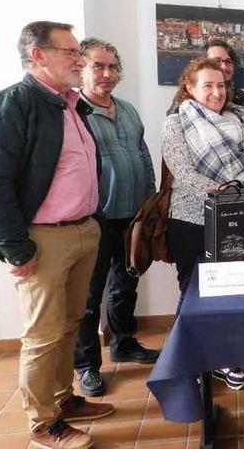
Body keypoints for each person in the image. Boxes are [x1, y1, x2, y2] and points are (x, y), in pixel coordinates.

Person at [0, 21, 114, 449]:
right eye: (71, 52)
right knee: (42, 335)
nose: (79, 59)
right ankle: (42, 425)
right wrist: (16, 249)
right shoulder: (7, 106)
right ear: (38, 55)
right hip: (42, 239)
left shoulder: (71, 105)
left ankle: (62, 400)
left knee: (71, 323)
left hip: (82, 230)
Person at [163, 57, 244, 390]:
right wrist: (222, 189)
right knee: (192, 293)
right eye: (207, 85)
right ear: (189, 89)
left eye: (221, 85)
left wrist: (236, 187)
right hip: (192, 219)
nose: (216, 92)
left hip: (236, 218)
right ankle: (188, 359)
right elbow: (183, 171)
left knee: (231, 291)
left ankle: (224, 357)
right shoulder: (176, 123)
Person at [74, 38, 160, 398]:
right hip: (94, 218)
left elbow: (141, 155)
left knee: (126, 282)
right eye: (98, 66)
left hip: (133, 214)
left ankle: (124, 342)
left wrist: (152, 198)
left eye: (113, 67)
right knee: (89, 295)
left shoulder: (126, 109)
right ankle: (86, 365)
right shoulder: (73, 112)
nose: (108, 74)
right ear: (81, 68)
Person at [166, 39, 244, 114]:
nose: (224, 67)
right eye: (216, 61)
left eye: (228, 61)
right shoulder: (187, 96)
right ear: (203, 64)